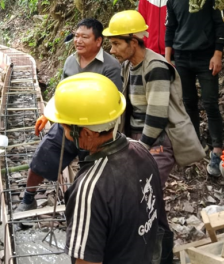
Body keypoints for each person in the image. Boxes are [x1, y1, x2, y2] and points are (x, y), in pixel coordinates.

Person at [43, 72, 169, 264]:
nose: (64, 133)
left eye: (66, 128)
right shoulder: (141, 152)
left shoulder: (90, 189)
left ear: (85, 133)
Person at [16, 18, 122, 212]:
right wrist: (48, 115)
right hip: (67, 124)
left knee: (91, 171)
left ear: (98, 41)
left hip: (94, 129)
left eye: (85, 37)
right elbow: (62, 90)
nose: (78, 40)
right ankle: (28, 198)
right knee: (42, 157)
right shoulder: (71, 61)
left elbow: (113, 100)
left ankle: (86, 209)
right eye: (76, 36)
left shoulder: (111, 66)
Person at [103, 10, 205, 187]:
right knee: (133, 190)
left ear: (133, 42)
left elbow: (157, 116)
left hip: (156, 139)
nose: (112, 50)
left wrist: (141, 147)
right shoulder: (128, 65)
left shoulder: (155, 67)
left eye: (116, 44)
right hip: (138, 136)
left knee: (145, 190)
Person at [165, 0, 224, 177]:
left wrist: (218, 53)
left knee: (210, 103)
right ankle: (195, 146)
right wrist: (168, 58)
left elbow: (221, 25)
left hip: (206, 57)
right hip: (182, 58)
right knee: (188, 102)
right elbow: (170, 29)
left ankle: (217, 150)